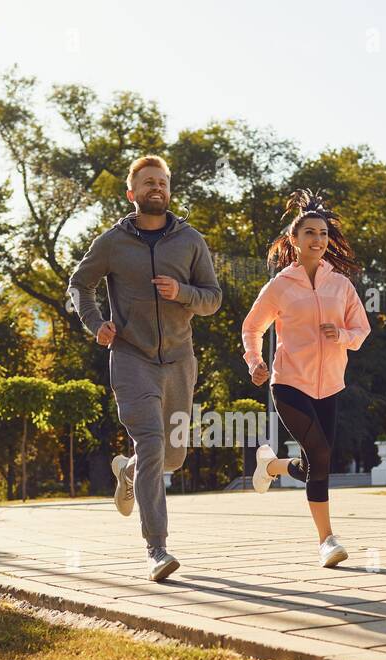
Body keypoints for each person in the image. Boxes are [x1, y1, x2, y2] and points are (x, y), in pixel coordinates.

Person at [68, 155, 222, 581]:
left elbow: (213, 298)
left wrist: (183, 292)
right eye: (148, 182)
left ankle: (128, 470)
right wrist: (97, 324)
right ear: (131, 192)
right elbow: (80, 284)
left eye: (163, 182)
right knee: (152, 443)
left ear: (169, 190)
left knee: (172, 455)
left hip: (179, 360)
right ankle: (157, 549)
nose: (157, 188)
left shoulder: (190, 240)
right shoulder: (113, 242)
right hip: (132, 357)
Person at [241, 190, 371, 568]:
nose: (318, 239)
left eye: (323, 233)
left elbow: (361, 330)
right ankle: (326, 540)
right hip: (289, 383)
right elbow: (252, 328)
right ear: (294, 240)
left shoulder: (341, 285)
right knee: (320, 454)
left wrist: (341, 336)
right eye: (310, 233)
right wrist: (254, 362)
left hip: (329, 384)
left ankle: (272, 467)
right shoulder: (281, 286)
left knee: (317, 461)